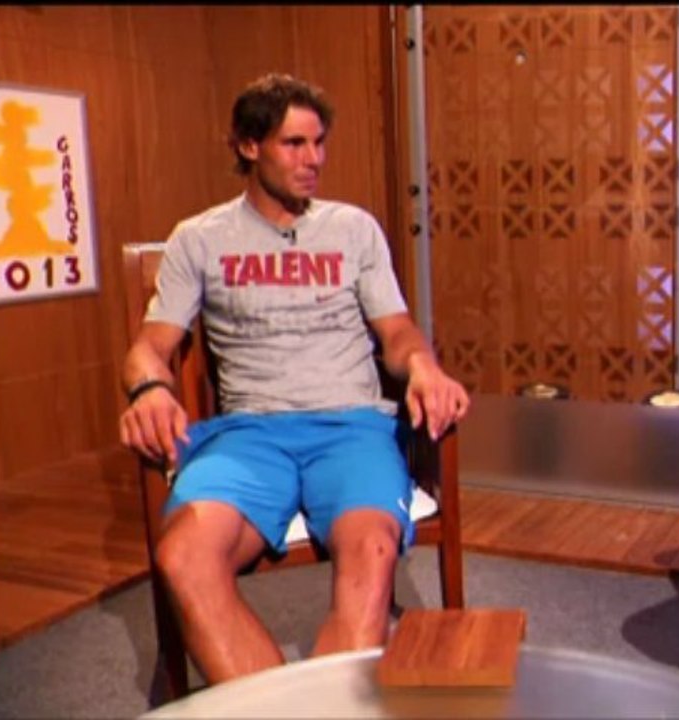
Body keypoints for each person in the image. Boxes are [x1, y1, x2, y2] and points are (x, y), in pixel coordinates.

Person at [118, 73, 470, 686]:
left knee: (372, 552)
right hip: (250, 435)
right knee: (183, 555)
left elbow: (398, 334)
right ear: (249, 146)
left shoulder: (354, 229)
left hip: (352, 429)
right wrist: (150, 389)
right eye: (294, 144)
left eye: (319, 143)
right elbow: (149, 349)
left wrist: (424, 368)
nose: (314, 160)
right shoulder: (199, 239)